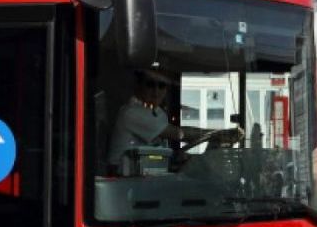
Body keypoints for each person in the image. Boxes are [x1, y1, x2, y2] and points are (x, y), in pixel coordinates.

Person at [102, 70, 238, 174]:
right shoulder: (132, 112)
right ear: (139, 87)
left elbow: (161, 149)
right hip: (123, 177)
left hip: (144, 171)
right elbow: (179, 134)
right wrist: (217, 134)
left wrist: (182, 157)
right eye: (150, 84)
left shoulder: (157, 112)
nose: (156, 91)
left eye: (161, 85)